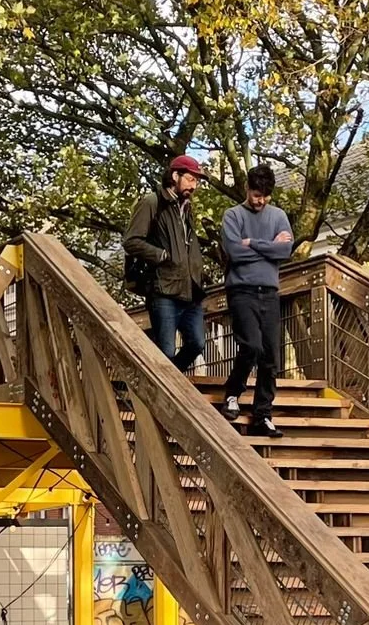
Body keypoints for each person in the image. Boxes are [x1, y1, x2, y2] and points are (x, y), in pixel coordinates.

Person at [219, 164, 294, 438]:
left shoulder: (278, 216)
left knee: (271, 356)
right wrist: (268, 247)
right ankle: (233, 393)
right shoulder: (233, 215)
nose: (259, 200)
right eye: (255, 193)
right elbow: (234, 253)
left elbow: (285, 250)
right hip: (242, 291)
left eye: (264, 195)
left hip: (270, 292)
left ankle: (263, 414)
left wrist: (252, 243)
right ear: (247, 189)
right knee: (250, 345)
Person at [124, 154, 210, 371]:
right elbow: (131, 241)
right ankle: (165, 390)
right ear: (175, 175)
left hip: (190, 290)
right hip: (163, 290)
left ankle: (173, 382)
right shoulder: (152, 202)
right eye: (191, 179)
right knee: (166, 351)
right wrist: (161, 255)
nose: (194, 185)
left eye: (197, 181)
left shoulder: (186, 208)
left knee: (197, 343)